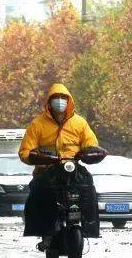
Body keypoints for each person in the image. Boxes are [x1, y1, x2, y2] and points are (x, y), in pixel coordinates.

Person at [18, 83, 100, 247]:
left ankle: (89, 227)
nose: (60, 101)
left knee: (89, 188)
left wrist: (90, 153)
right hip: (47, 170)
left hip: (73, 168)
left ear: (69, 101)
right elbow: (25, 151)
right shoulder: (37, 124)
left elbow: (91, 144)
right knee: (37, 193)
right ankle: (44, 232)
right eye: (56, 98)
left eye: (64, 98)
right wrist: (39, 158)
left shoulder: (80, 123)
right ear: (49, 102)